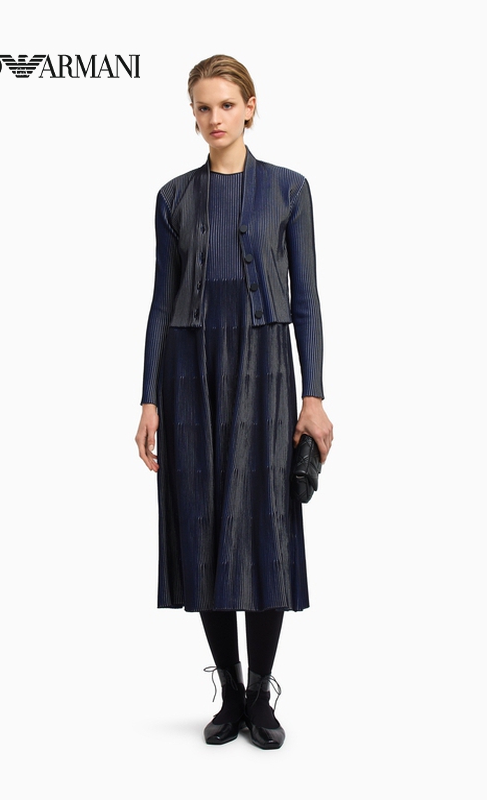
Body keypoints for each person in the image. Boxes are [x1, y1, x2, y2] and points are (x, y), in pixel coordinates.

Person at [135, 54, 332, 750]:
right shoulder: (173, 197)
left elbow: (306, 299)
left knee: (266, 521)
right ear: (192, 115)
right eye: (202, 107)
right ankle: (228, 689)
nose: (213, 118)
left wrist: (314, 394)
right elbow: (162, 302)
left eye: (225, 104)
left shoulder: (289, 189)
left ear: (251, 106)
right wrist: (149, 398)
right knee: (204, 520)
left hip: (266, 368)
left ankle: (260, 694)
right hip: (188, 370)